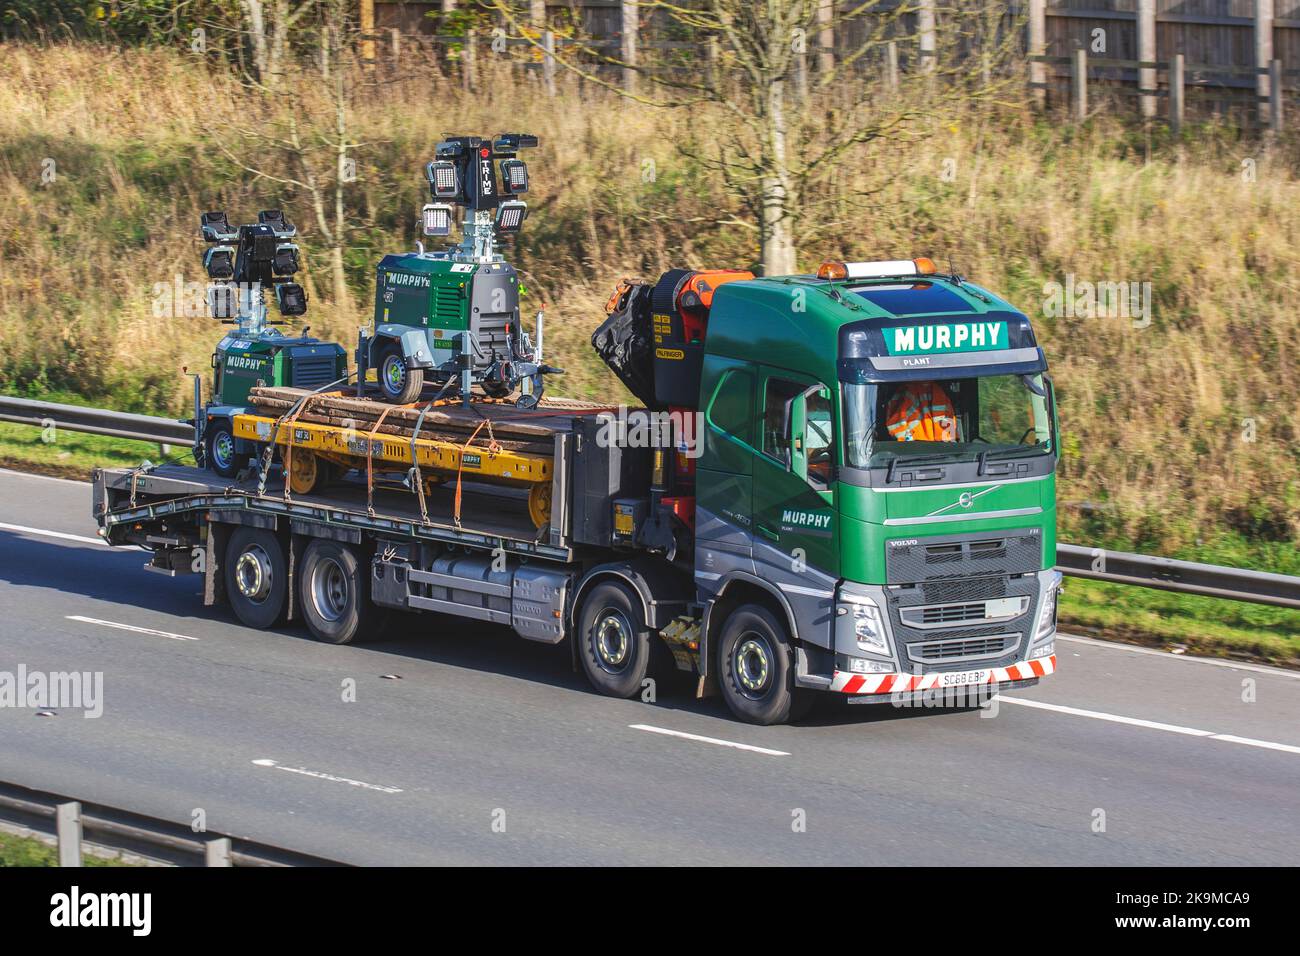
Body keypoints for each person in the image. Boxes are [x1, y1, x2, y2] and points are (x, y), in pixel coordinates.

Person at [884, 380, 957, 443]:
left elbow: (950, 424)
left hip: (938, 453)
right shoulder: (908, 392)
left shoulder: (939, 392)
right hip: (919, 453)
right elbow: (896, 425)